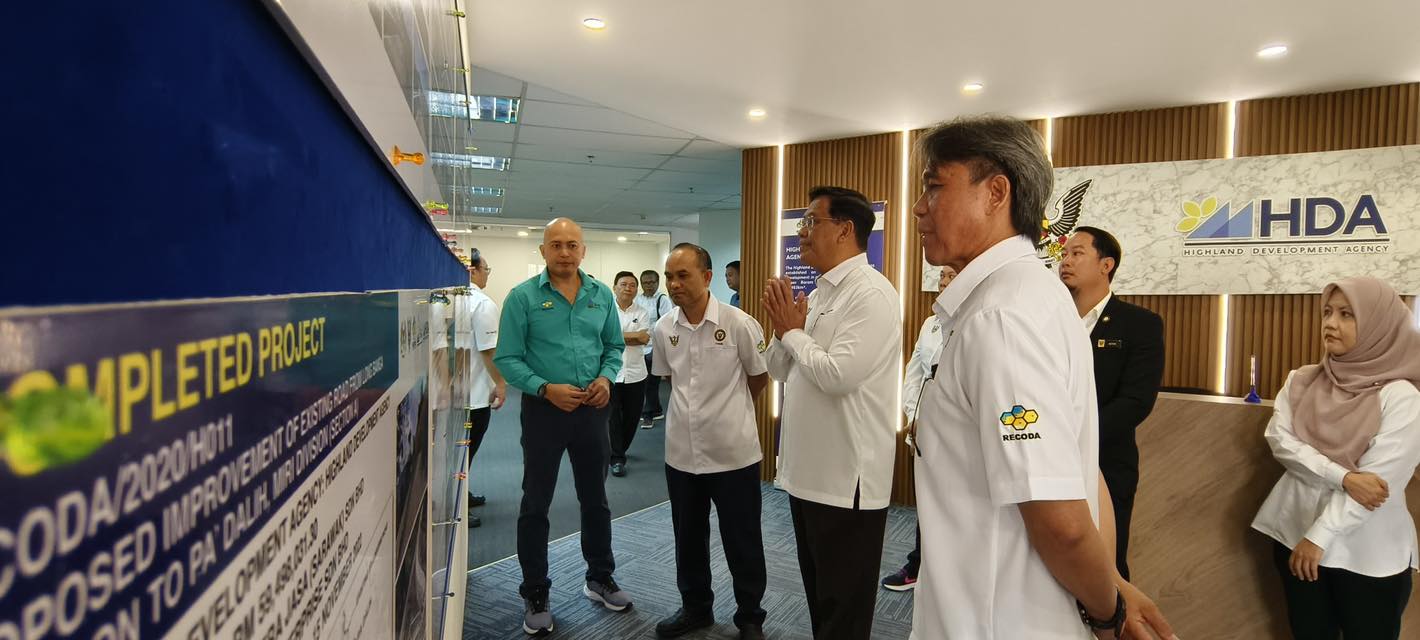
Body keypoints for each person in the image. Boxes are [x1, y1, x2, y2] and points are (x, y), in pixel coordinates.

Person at [908, 116, 1174, 640]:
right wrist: (1112, 584)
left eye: (934, 186)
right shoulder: (1031, 294)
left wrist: (1109, 613)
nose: (919, 206)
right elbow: (1080, 467)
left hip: (994, 620)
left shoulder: (1001, 317)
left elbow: (1062, 522)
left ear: (996, 193)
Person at [763, 185, 901, 639]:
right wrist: (783, 332)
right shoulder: (820, 292)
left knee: (844, 609)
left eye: (811, 222)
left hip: (847, 482)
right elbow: (778, 369)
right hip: (808, 474)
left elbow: (838, 375)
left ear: (844, 229)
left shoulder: (871, 294)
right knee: (821, 597)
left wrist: (793, 333)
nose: (801, 232)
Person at [1251, 276, 1420, 640]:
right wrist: (1342, 477)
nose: (1330, 323)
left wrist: (1319, 536)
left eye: (1347, 314)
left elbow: (1377, 486)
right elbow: (1280, 441)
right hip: (1294, 533)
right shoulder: (1302, 380)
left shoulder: (1402, 397)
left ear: (1378, 324)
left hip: (1368, 553)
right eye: (1327, 312)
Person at [493, 218, 633, 636]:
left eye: (573, 245)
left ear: (583, 251)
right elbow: (507, 358)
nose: (565, 252)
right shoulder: (522, 298)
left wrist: (606, 378)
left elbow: (614, 347)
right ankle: (535, 591)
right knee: (536, 503)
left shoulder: (600, 295)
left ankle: (600, 577)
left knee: (596, 499)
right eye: (556, 245)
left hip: (592, 411)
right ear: (543, 251)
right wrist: (544, 388)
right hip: (544, 412)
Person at [651, 244, 770, 640]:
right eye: (669, 276)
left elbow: (758, 376)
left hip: (733, 453)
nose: (674, 284)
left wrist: (730, 411)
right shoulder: (664, 328)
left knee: (742, 539)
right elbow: (669, 378)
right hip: (681, 454)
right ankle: (696, 608)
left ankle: (750, 616)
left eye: (683, 275)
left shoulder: (739, 323)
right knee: (687, 538)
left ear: (707, 277)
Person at [1058, 226, 1164, 580]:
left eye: (1077, 253)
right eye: (1064, 254)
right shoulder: (1049, 321)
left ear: (1106, 265)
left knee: (1106, 568)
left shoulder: (1139, 324)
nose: (1066, 261)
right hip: (1048, 459)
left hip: (1106, 463)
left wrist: (1074, 436)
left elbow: (1136, 401)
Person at [880, 265, 956, 592]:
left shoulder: (976, 321)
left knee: (954, 508)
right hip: (922, 430)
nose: (944, 283)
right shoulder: (930, 323)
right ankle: (919, 566)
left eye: (952, 277)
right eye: (941, 277)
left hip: (956, 435)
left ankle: (947, 575)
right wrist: (913, 414)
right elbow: (914, 375)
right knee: (927, 504)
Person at [465, 249, 507, 529]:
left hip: (448, 394)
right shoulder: (481, 303)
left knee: (455, 454)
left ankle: (460, 495)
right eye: (486, 269)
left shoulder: (442, 297)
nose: (487, 275)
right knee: (463, 453)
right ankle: (454, 504)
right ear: (473, 270)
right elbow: (488, 350)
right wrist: (501, 383)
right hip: (475, 394)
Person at [608, 271, 651, 477]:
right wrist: (630, 337)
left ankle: (619, 448)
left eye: (632, 285)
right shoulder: (606, 311)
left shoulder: (642, 312)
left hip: (636, 373)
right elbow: (604, 337)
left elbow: (643, 338)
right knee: (612, 416)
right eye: (623, 284)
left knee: (632, 417)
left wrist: (616, 337)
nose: (628, 288)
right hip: (611, 372)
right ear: (614, 287)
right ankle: (617, 457)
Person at [637, 269, 674, 428]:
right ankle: (657, 410)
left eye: (652, 282)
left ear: (658, 282)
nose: (649, 285)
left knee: (651, 383)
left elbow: (667, 323)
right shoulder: (637, 299)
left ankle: (648, 414)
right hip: (639, 346)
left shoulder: (662, 300)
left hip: (655, 346)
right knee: (643, 382)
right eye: (645, 282)